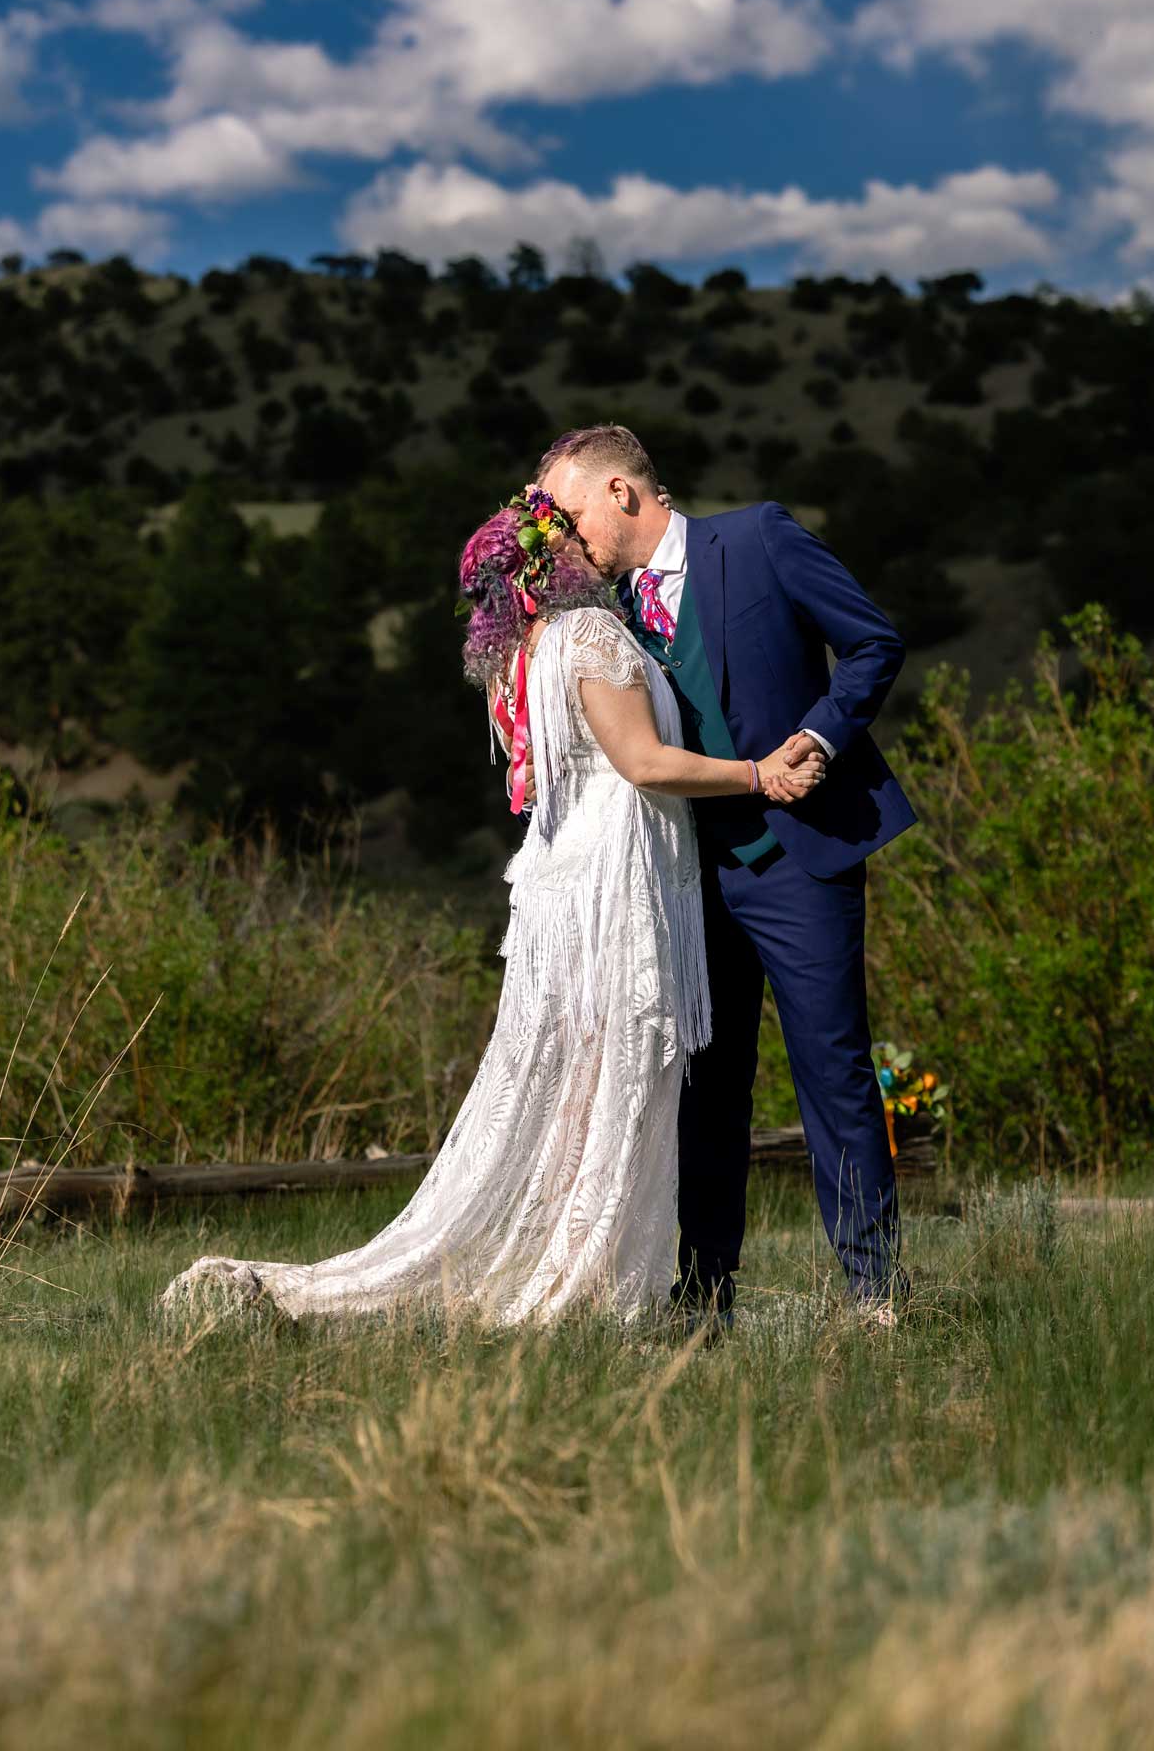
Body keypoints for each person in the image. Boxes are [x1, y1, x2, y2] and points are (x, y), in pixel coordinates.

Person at [157, 487, 821, 1327]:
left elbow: (534, 774)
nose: (587, 540)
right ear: (550, 560)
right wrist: (758, 774)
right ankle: (585, 1276)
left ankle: (584, 1261)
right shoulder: (588, 633)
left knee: (580, 1076)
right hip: (612, 881)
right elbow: (643, 762)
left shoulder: (518, 654)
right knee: (608, 1075)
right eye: (568, 533)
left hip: (563, 876)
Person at [537, 426, 917, 1330]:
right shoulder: (602, 616)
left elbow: (873, 643)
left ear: (622, 492)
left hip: (800, 856)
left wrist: (819, 737)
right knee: (705, 1089)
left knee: (832, 1071)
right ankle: (704, 1299)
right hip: (682, 875)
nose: (563, 533)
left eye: (570, 511)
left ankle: (874, 1294)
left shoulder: (758, 538)